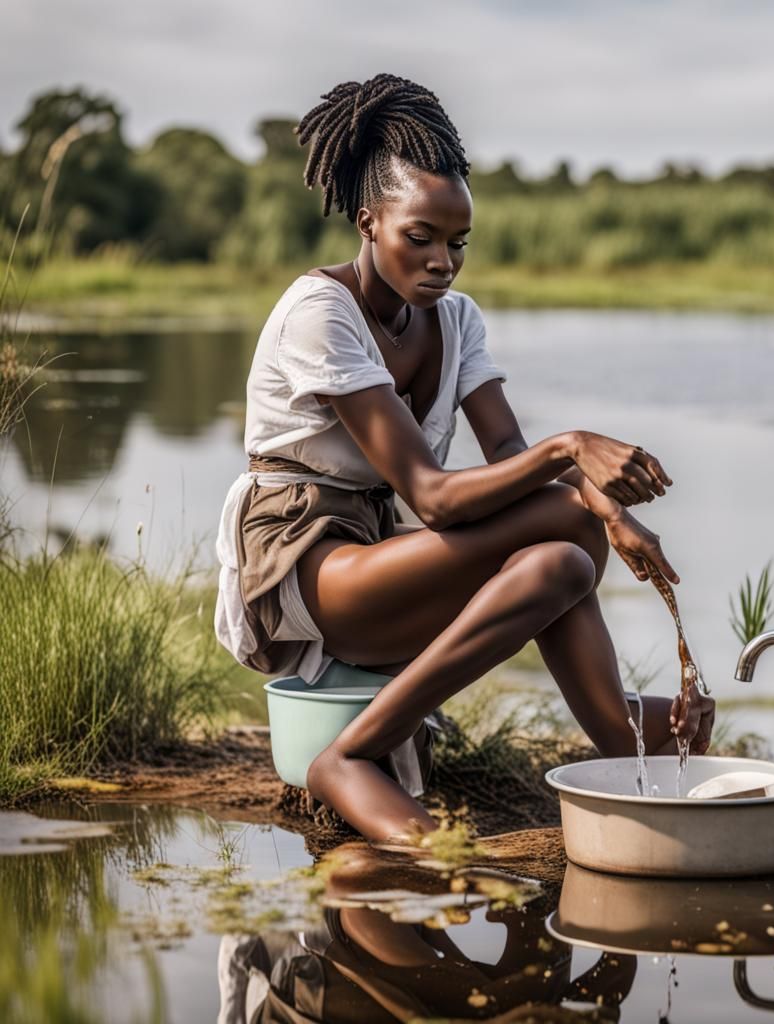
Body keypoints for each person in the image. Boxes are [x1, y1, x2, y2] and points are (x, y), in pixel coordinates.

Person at [215, 73, 715, 843]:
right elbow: (434, 493)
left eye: (457, 243)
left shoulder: (455, 321)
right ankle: (347, 756)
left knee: (564, 559)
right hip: (304, 564)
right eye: (420, 238)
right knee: (563, 522)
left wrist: (609, 510)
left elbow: (509, 452)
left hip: (376, 554)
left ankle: (631, 744)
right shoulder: (320, 313)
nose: (443, 261)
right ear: (368, 221)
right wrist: (574, 449)